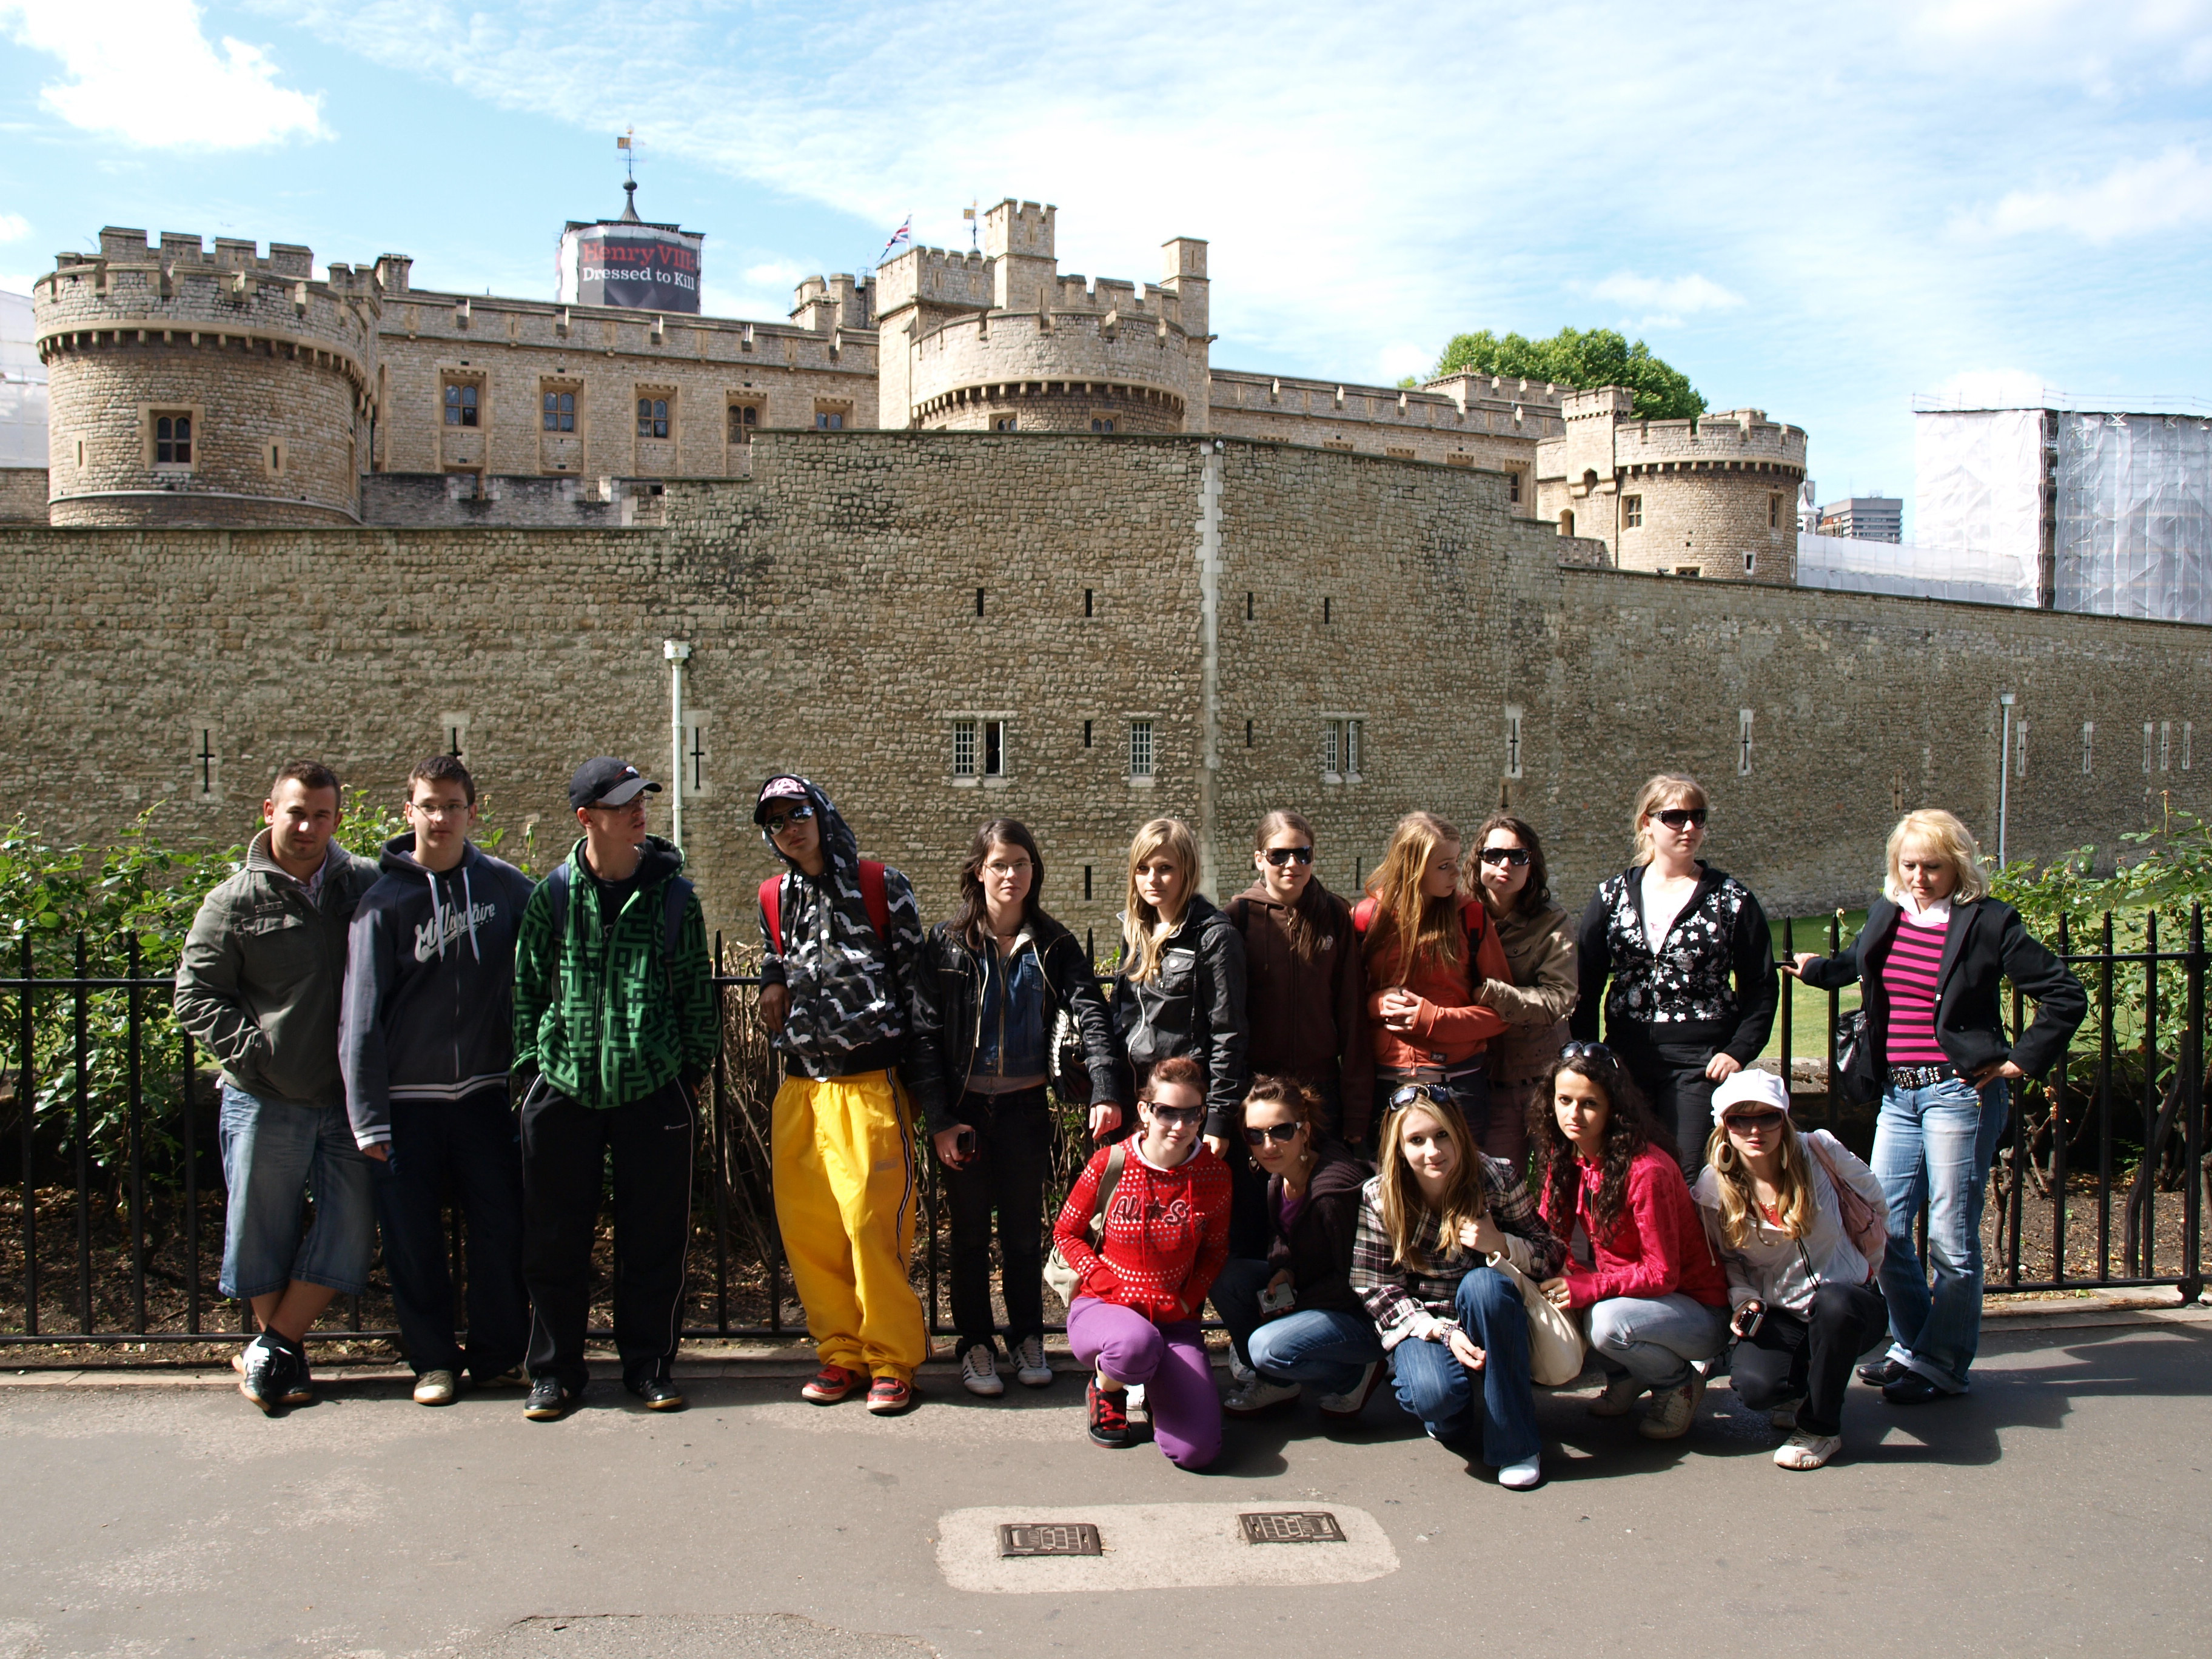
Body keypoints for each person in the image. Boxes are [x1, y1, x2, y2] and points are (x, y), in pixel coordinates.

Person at [1791, 808, 2085, 1404]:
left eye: (1933, 867)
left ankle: (1944, 1363)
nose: (1920, 878)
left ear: (1958, 867)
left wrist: (2019, 1061)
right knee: (1885, 1227)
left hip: (1959, 1094)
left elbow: (2062, 994)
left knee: (1951, 1235)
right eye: (1909, 866)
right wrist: (1817, 970)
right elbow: (1858, 963)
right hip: (1899, 1093)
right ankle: (1916, 1346)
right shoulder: (1890, 913)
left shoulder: (1989, 923)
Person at [511, 758, 719, 1421]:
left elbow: (695, 997)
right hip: (565, 1088)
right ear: (586, 818)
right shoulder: (553, 897)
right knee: (553, 1239)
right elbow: (526, 989)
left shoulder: (675, 898)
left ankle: (649, 1364)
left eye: (642, 800)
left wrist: (688, 1074)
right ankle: (554, 1372)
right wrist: (531, 1069)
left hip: (653, 1088)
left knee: (654, 1237)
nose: (639, 812)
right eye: (623, 802)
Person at [175, 760, 381, 1415]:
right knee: (261, 1231)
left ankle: (271, 1348)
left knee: (350, 1230)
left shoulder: (366, 886)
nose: (308, 826)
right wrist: (253, 1054)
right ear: (270, 812)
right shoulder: (235, 900)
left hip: (348, 1102)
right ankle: (282, 1357)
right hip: (266, 1098)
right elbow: (194, 993)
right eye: (296, 812)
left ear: (336, 820)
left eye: (322, 815)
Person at [341, 755, 537, 1406]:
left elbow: (551, 963)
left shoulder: (506, 889)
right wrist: (367, 1117)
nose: (441, 817)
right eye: (429, 805)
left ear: (472, 813)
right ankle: (432, 1362)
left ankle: (499, 1357)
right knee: (412, 1238)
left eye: (453, 805)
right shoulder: (383, 902)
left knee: (499, 1230)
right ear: (409, 813)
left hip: (484, 1095)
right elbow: (359, 1018)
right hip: (406, 1105)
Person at [755, 773, 945, 1416]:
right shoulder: (773, 897)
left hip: (870, 1084)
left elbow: (919, 992)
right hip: (803, 1086)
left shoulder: (880, 885)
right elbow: (775, 953)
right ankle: (839, 1352)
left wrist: (929, 1096)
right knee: (811, 1231)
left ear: (821, 812)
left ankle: (892, 1357)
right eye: (776, 821)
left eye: (798, 812)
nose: (790, 828)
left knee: (872, 1226)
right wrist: (770, 977)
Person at [916, 818, 1125, 1398]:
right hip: (965, 1114)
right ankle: (976, 1344)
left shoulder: (1056, 945)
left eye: (1022, 864)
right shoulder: (947, 945)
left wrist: (1105, 1088)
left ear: (1035, 871)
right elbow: (927, 1036)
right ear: (979, 871)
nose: (1011, 875)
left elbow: (1092, 1015)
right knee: (966, 1238)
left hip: (1025, 1110)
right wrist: (938, 1120)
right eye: (1000, 864)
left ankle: (1028, 1336)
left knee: (1023, 1235)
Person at [1349, 1081, 1563, 1489]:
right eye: (1417, 1140)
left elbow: (1551, 1252)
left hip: (1487, 1309)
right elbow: (1374, 1287)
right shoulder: (1380, 1196)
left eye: (1442, 1135)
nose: (1433, 1151)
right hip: (1426, 1321)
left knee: (1484, 1286)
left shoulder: (1495, 1176)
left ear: (1460, 1133)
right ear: (1399, 1147)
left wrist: (1502, 1244)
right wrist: (1443, 1332)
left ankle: (1515, 1443)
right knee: (1437, 1401)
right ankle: (1455, 1410)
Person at [1572, 774, 1778, 1173]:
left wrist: (1738, 1051)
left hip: (1698, 1062)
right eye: (1675, 817)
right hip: (1626, 1057)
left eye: (1698, 817)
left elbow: (1761, 985)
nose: (1689, 828)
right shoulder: (1612, 897)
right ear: (1646, 823)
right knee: (1625, 1172)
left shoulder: (1730, 900)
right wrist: (1588, 1052)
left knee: (1683, 1176)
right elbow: (1588, 981)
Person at [1530, 1042, 1729, 1439]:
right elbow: (1547, 1234)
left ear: (1613, 1109)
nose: (1574, 1114)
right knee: (1555, 1295)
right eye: (1564, 1099)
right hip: (1633, 1297)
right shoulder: (1565, 1156)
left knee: (1606, 1322)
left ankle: (1679, 1384)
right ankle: (1627, 1376)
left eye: (1590, 1104)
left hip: (1694, 1312)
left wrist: (1585, 1287)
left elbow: (1662, 1275)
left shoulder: (1647, 1170)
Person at [1693, 1070, 1888, 1470]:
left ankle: (1820, 1429)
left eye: (1767, 1117)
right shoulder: (1713, 1186)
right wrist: (1744, 1298)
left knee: (1834, 1303)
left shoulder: (1820, 1152)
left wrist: (1867, 1264)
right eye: (1739, 1119)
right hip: (1784, 1313)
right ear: (1723, 1126)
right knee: (1755, 1389)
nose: (1754, 1130)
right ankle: (1805, 1388)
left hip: (1851, 1304)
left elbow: (1874, 1203)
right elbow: (1728, 1260)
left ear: (1784, 1118)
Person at [1054, 1056, 1232, 1469]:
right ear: (1145, 1111)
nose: (1179, 1125)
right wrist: (1105, 1281)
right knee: (1135, 1344)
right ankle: (1107, 1388)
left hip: (1174, 1321)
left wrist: (1188, 1302)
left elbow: (1216, 1251)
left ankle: (1157, 1387)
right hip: (1105, 1311)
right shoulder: (1110, 1163)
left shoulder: (1214, 1176)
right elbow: (1065, 1232)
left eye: (1191, 1114)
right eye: (1167, 1112)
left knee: (1198, 1451)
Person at [1209, 1076, 1382, 1419]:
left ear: (1304, 1131)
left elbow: (1358, 1280)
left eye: (1281, 1131)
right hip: (1316, 1292)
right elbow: (1281, 1237)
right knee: (1228, 1279)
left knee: (1268, 1347)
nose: (1268, 1144)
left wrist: (1296, 1304)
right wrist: (1283, 1271)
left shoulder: (1333, 1192)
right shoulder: (1280, 1176)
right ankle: (1276, 1384)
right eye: (1254, 1135)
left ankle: (1354, 1375)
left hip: (1361, 1315)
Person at [1353, 811, 1513, 1158]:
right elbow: (1344, 1004)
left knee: (1460, 1190)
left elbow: (1504, 1011)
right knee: (1392, 1194)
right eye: (1444, 866)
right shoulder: (1368, 918)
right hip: (1388, 1080)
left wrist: (1434, 1019)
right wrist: (1376, 1003)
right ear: (1412, 867)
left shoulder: (1469, 916)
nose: (1457, 873)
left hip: (1458, 1081)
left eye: (1456, 861)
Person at [1222, 809, 1372, 1144]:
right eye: (1280, 855)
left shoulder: (1334, 916)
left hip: (1321, 1087)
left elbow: (1352, 1013)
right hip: (1259, 1090)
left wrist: (1357, 1112)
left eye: (1303, 854)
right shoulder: (1238, 919)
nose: (1293, 864)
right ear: (1260, 859)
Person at [1110, 815, 1248, 1153]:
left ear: (1187, 870)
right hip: (1138, 1098)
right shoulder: (1137, 930)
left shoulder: (1214, 936)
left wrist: (1218, 1118)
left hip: (1184, 1105)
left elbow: (1228, 1033)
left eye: (1165, 868)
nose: (1152, 879)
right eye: (1143, 869)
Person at [1466, 812, 1577, 1175]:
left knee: (1557, 1184)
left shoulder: (1551, 921)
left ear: (1532, 864)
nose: (1505, 865)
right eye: (1494, 855)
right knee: (1498, 1185)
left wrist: (1496, 994)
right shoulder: (1459, 916)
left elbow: (1561, 997)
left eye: (1518, 857)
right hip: (1489, 1079)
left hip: (1542, 1077)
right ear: (1478, 858)